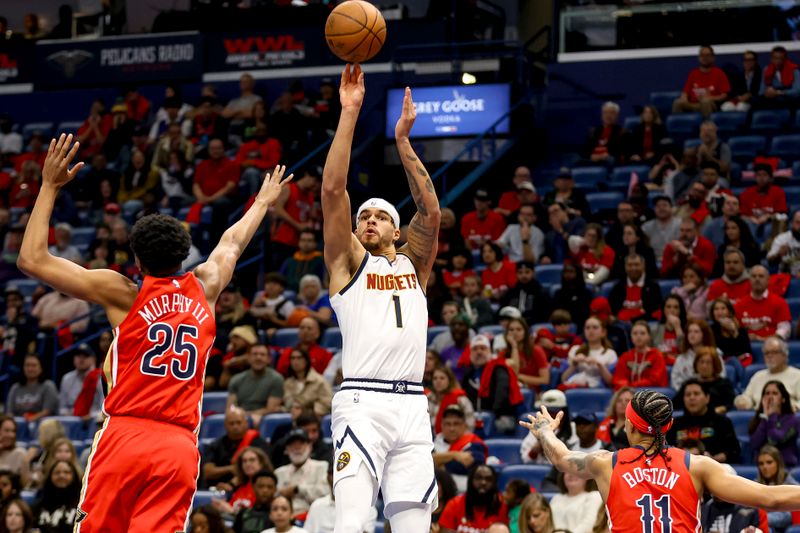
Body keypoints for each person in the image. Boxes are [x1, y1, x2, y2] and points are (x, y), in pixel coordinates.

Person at [15, 133, 292, 531]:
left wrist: (49, 186)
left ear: (137, 259)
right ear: (184, 254)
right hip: (178, 444)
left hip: (125, 434)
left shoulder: (124, 294)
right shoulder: (206, 286)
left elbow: (31, 259)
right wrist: (263, 202)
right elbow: (232, 242)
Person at [322, 65, 441, 532]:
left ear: (397, 228)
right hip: (362, 402)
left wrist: (404, 142)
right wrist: (350, 112)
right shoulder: (349, 263)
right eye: (363, 216)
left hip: (412, 405)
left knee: (414, 524)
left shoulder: (415, 265)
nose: (368, 220)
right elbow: (333, 191)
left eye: (379, 216)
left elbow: (431, 210)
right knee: (352, 521)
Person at [520, 388, 800, 533]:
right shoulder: (697, 466)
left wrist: (544, 430)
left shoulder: (606, 463)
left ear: (629, 426)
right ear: (667, 427)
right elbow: (770, 497)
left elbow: (561, 458)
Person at [202, 406, 270, 489]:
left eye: (238, 423)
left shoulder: (259, 443)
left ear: (246, 423)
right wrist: (230, 469)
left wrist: (231, 484)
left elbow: (263, 469)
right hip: (218, 488)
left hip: (249, 488)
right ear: (225, 425)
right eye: (231, 423)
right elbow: (207, 472)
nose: (235, 426)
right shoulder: (216, 445)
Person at [303, 463, 377, 533]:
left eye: (344, 474)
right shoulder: (316, 505)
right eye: (335, 473)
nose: (338, 478)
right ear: (327, 478)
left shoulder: (367, 508)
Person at [433, 404, 488, 493]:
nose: (452, 428)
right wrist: (455, 455)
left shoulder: (473, 442)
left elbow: (475, 467)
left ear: (464, 426)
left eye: (456, 424)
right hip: (438, 494)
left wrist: (439, 461)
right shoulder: (433, 442)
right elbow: (426, 461)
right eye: (448, 424)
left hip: (465, 493)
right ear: (442, 425)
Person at [273, 428, 329, 516]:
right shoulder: (279, 473)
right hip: (285, 520)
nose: (297, 448)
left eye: (301, 443)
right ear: (286, 449)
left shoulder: (322, 467)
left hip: (313, 517)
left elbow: (326, 494)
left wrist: (298, 489)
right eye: (292, 444)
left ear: (310, 446)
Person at [438, 465, 508, 533]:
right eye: (478, 478)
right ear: (470, 481)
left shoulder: (502, 505)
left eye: (488, 479)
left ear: (494, 483)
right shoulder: (455, 504)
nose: (483, 482)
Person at [736, 336, 800, 410]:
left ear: (784, 355)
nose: (769, 356)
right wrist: (743, 401)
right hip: (760, 417)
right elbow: (747, 397)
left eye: (774, 352)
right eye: (766, 353)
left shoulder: (797, 375)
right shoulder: (758, 376)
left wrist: (794, 407)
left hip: (786, 418)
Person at [227, 343, 285, 425]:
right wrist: (247, 415)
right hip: (240, 419)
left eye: (262, 354)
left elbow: (271, 409)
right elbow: (230, 408)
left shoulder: (277, 379)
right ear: (248, 358)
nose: (258, 357)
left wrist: (246, 414)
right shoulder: (236, 379)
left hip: (264, 420)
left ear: (269, 359)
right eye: (255, 354)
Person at [701, 465, 768, 533]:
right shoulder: (703, 510)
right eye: (714, 485)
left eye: (722, 485)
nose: (717, 490)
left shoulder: (754, 509)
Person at [749, 381, 800, 468]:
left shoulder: (793, 420)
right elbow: (755, 444)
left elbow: (775, 441)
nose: (770, 397)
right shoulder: (758, 419)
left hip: (785, 468)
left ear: (783, 399)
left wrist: (771, 416)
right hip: (761, 468)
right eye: (767, 393)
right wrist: (765, 418)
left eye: (775, 393)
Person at [734, 265, 792, 340]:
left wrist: (764, 339)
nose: (757, 279)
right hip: (745, 346)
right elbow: (734, 330)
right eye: (754, 276)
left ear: (768, 280)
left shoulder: (780, 302)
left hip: (773, 346)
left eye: (761, 276)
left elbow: (785, 329)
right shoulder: (739, 305)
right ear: (749, 280)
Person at [672, 45, 731, 117]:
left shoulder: (719, 73)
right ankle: (679, 127)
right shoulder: (693, 73)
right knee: (678, 102)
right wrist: (684, 98)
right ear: (699, 57)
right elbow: (685, 92)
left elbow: (724, 95)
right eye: (702, 55)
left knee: (705, 102)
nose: (704, 58)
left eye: (707, 55)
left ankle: (707, 126)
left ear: (713, 58)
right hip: (693, 104)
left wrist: (709, 98)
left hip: (710, 104)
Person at [561, 317, 617, 389]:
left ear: (603, 332)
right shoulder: (575, 350)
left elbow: (610, 382)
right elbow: (563, 379)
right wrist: (574, 364)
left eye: (595, 327)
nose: (591, 331)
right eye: (587, 328)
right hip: (575, 387)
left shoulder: (610, 353)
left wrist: (599, 365)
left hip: (598, 390)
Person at [611, 321, 667, 390]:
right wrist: (628, 388)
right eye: (635, 333)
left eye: (642, 333)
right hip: (629, 393)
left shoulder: (656, 355)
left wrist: (632, 386)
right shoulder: (625, 357)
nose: (638, 336)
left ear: (649, 336)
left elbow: (655, 380)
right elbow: (618, 379)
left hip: (651, 394)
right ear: (631, 337)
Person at [608, 254, 662, 323]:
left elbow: (655, 312)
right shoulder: (618, 287)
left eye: (637, 265)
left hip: (644, 325)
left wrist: (633, 320)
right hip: (621, 326)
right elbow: (612, 310)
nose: (633, 268)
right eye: (630, 265)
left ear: (643, 266)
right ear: (625, 267)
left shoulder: (653, 287)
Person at [755, 445, 798, 531]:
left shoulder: (792, 486)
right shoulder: (755, 485)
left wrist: (757, 519)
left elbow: (787, 516)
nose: (765, 467)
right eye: (761, 464)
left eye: (769, 462)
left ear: (778, 463)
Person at [282, 347, 333, 417]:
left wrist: (306, 412)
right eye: (293, 358)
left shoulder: (319, 381)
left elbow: (326, 403)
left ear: (306, 361)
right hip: (290, 416)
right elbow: (286, 402)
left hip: (314, 419)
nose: (295, 361)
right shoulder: (288, 383)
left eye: (299, 358)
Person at [58, 343, 104, 420]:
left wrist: (90, 416)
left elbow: (103, 409)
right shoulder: (66, 378)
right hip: (72, 421)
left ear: (93, 359)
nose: (81, 359)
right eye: (78, 356)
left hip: (94, 422)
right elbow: (62, 408)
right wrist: (70, 414)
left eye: (86, 356)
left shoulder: (100, 378)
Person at [34, 460, 81, 533]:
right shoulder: (38, 507)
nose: (61, 476)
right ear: (50, 476)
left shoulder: (83, 505)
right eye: (57, 472)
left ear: (74, 476)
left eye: (66, 472)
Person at [5, 355, 59, 420]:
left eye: (34, 365)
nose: (30, 369)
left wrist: (31, 419)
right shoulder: (15, 387)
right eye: (27, 365)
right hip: (17, 427)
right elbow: (9, 412)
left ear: (41, 368)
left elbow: (48, 411)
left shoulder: (48, 386)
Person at [428, 365, 475, 434]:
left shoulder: (461, 400)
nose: (438, 381)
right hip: (433, 440)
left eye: (442, 378)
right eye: (435, 378)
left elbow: (470, 426)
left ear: (449, 380)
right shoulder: (428, 399)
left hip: (457, 440)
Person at [709, 297, 753, 366]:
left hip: (739, 363)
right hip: (718, 362)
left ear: (729, 311)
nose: (719, 312)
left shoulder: (741, 330)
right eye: (716, 309)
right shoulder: (710, 330)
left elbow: (746, 352)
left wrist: (734, 332)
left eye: (723, 308)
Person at [642, 196, 682, 262]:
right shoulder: (646, 226)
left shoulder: (680, 224)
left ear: (671, 208)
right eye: (658, 206)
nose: (661, 208)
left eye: (665, 205)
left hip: (675, 260)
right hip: (653, 261)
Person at [768, 210, 800, 277]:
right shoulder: (782, 239)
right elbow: (769, 261)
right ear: (792, 223)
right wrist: (779, 254)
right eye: (797, 222)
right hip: (785, 278)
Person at [0, 417, 30, 488]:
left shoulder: (20, 453)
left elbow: (25, 485)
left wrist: (25, 463)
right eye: (6, 431)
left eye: (13, 431)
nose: (11, 435)